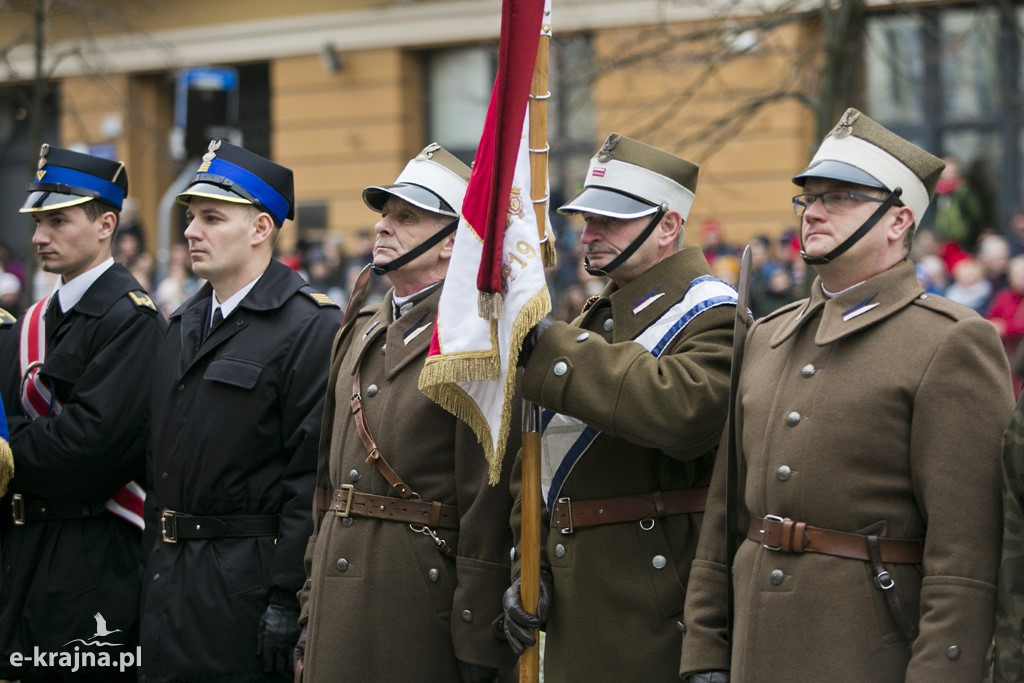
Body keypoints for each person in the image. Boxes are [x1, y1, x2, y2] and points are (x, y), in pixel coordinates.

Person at [680, 108, 1013, 683]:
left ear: (898, 220)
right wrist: (706, 650)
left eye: (839, 198)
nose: (812, 212)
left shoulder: (952, 343)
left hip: (867, 654)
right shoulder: (767, 335)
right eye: (808, 199)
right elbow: (725, 516)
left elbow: (965, 557)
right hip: (754, 654)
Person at [501, 133, 737, 681]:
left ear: (669, 226)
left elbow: (683, 413)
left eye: (612, 220)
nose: (590, 234)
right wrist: (529, 564)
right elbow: (532, 465)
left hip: (653, 603)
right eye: (588, 219)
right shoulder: (590, 323)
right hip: (576, 585)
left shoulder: (711, 313)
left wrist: (554, 347)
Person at [295, 142, 519, 682]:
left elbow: (485, 507)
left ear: (451, 243)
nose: (383, 228)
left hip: (416, 608)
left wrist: (475, 641)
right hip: (338, 601)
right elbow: (326, 488)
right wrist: (310, 605)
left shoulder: (473, 340)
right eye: (385, 215)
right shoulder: (362, 326)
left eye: (407, 217)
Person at [141, 140, 341, 681]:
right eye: (189, 218)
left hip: (244, 583)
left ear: (260, 229)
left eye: (212, 217)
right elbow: (159, 459)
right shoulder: (182, 323)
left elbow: (311, 477)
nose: (190, 232)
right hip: (169, 575)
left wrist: (284, 597)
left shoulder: (308, 326)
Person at [0, 145, 165, 679]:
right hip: (23, 550)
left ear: (105, 224)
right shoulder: (32, 321)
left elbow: (87, 450)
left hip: (91, 556)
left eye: (57, 221)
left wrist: (7, 451)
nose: (38, 237)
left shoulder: (130, 320)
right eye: (37, 221)